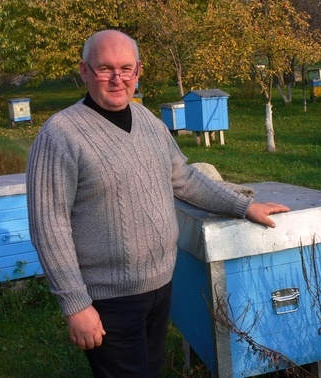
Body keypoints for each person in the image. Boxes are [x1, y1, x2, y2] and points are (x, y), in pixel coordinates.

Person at [26, 30, 290, 377]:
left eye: (126, 68)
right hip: (108, 300)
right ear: (85, 71)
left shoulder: (149, 122)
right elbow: (49, 226)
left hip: (160, 286)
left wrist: (242, 206)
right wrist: (76, 304)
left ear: (138, 71)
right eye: (105, 68)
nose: (117, 79)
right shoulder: (60, 135)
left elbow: (185, 179)